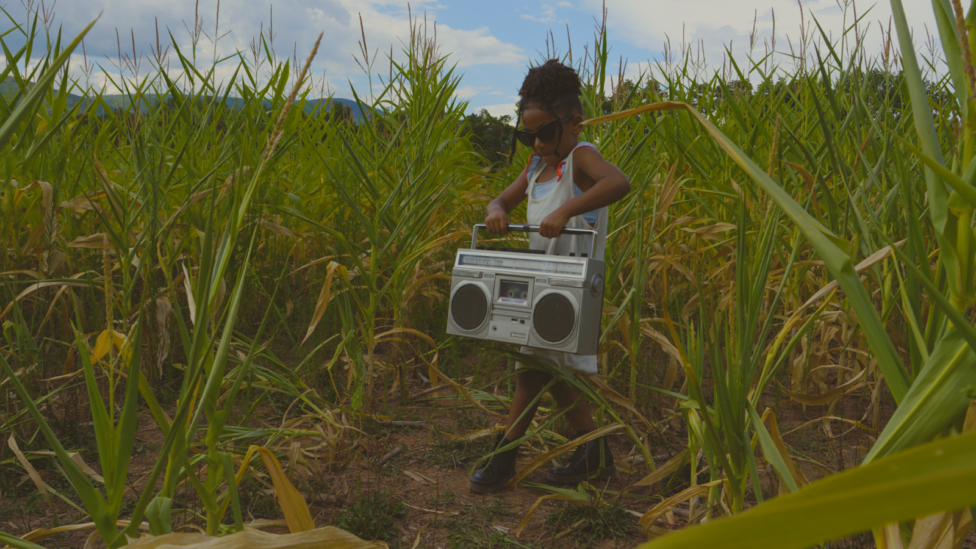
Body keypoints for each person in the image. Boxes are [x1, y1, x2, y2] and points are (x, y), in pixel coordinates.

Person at [469, 59, 631, 494]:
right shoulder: (536, 167)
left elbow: (618, 182)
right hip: (540, 285)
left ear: (574, 122)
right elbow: (499, 201)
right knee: (554, 374)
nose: (536, 143)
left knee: (532, 369)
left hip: (572, 285)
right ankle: (594, 456)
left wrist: (565, 210)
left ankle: (505, 455)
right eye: (527, 134)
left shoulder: (581, 156)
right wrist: (497, 213)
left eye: (544, 132)